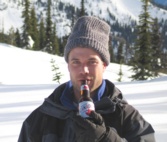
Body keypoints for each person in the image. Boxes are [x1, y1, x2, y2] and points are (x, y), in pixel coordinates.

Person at [18, 16, 155, 142]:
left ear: (104, 65)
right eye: (76, 62)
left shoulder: (125, 116)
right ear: (68, 66)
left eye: (91, 62)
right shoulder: (42, 117)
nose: (84, 70)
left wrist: (105, 139)